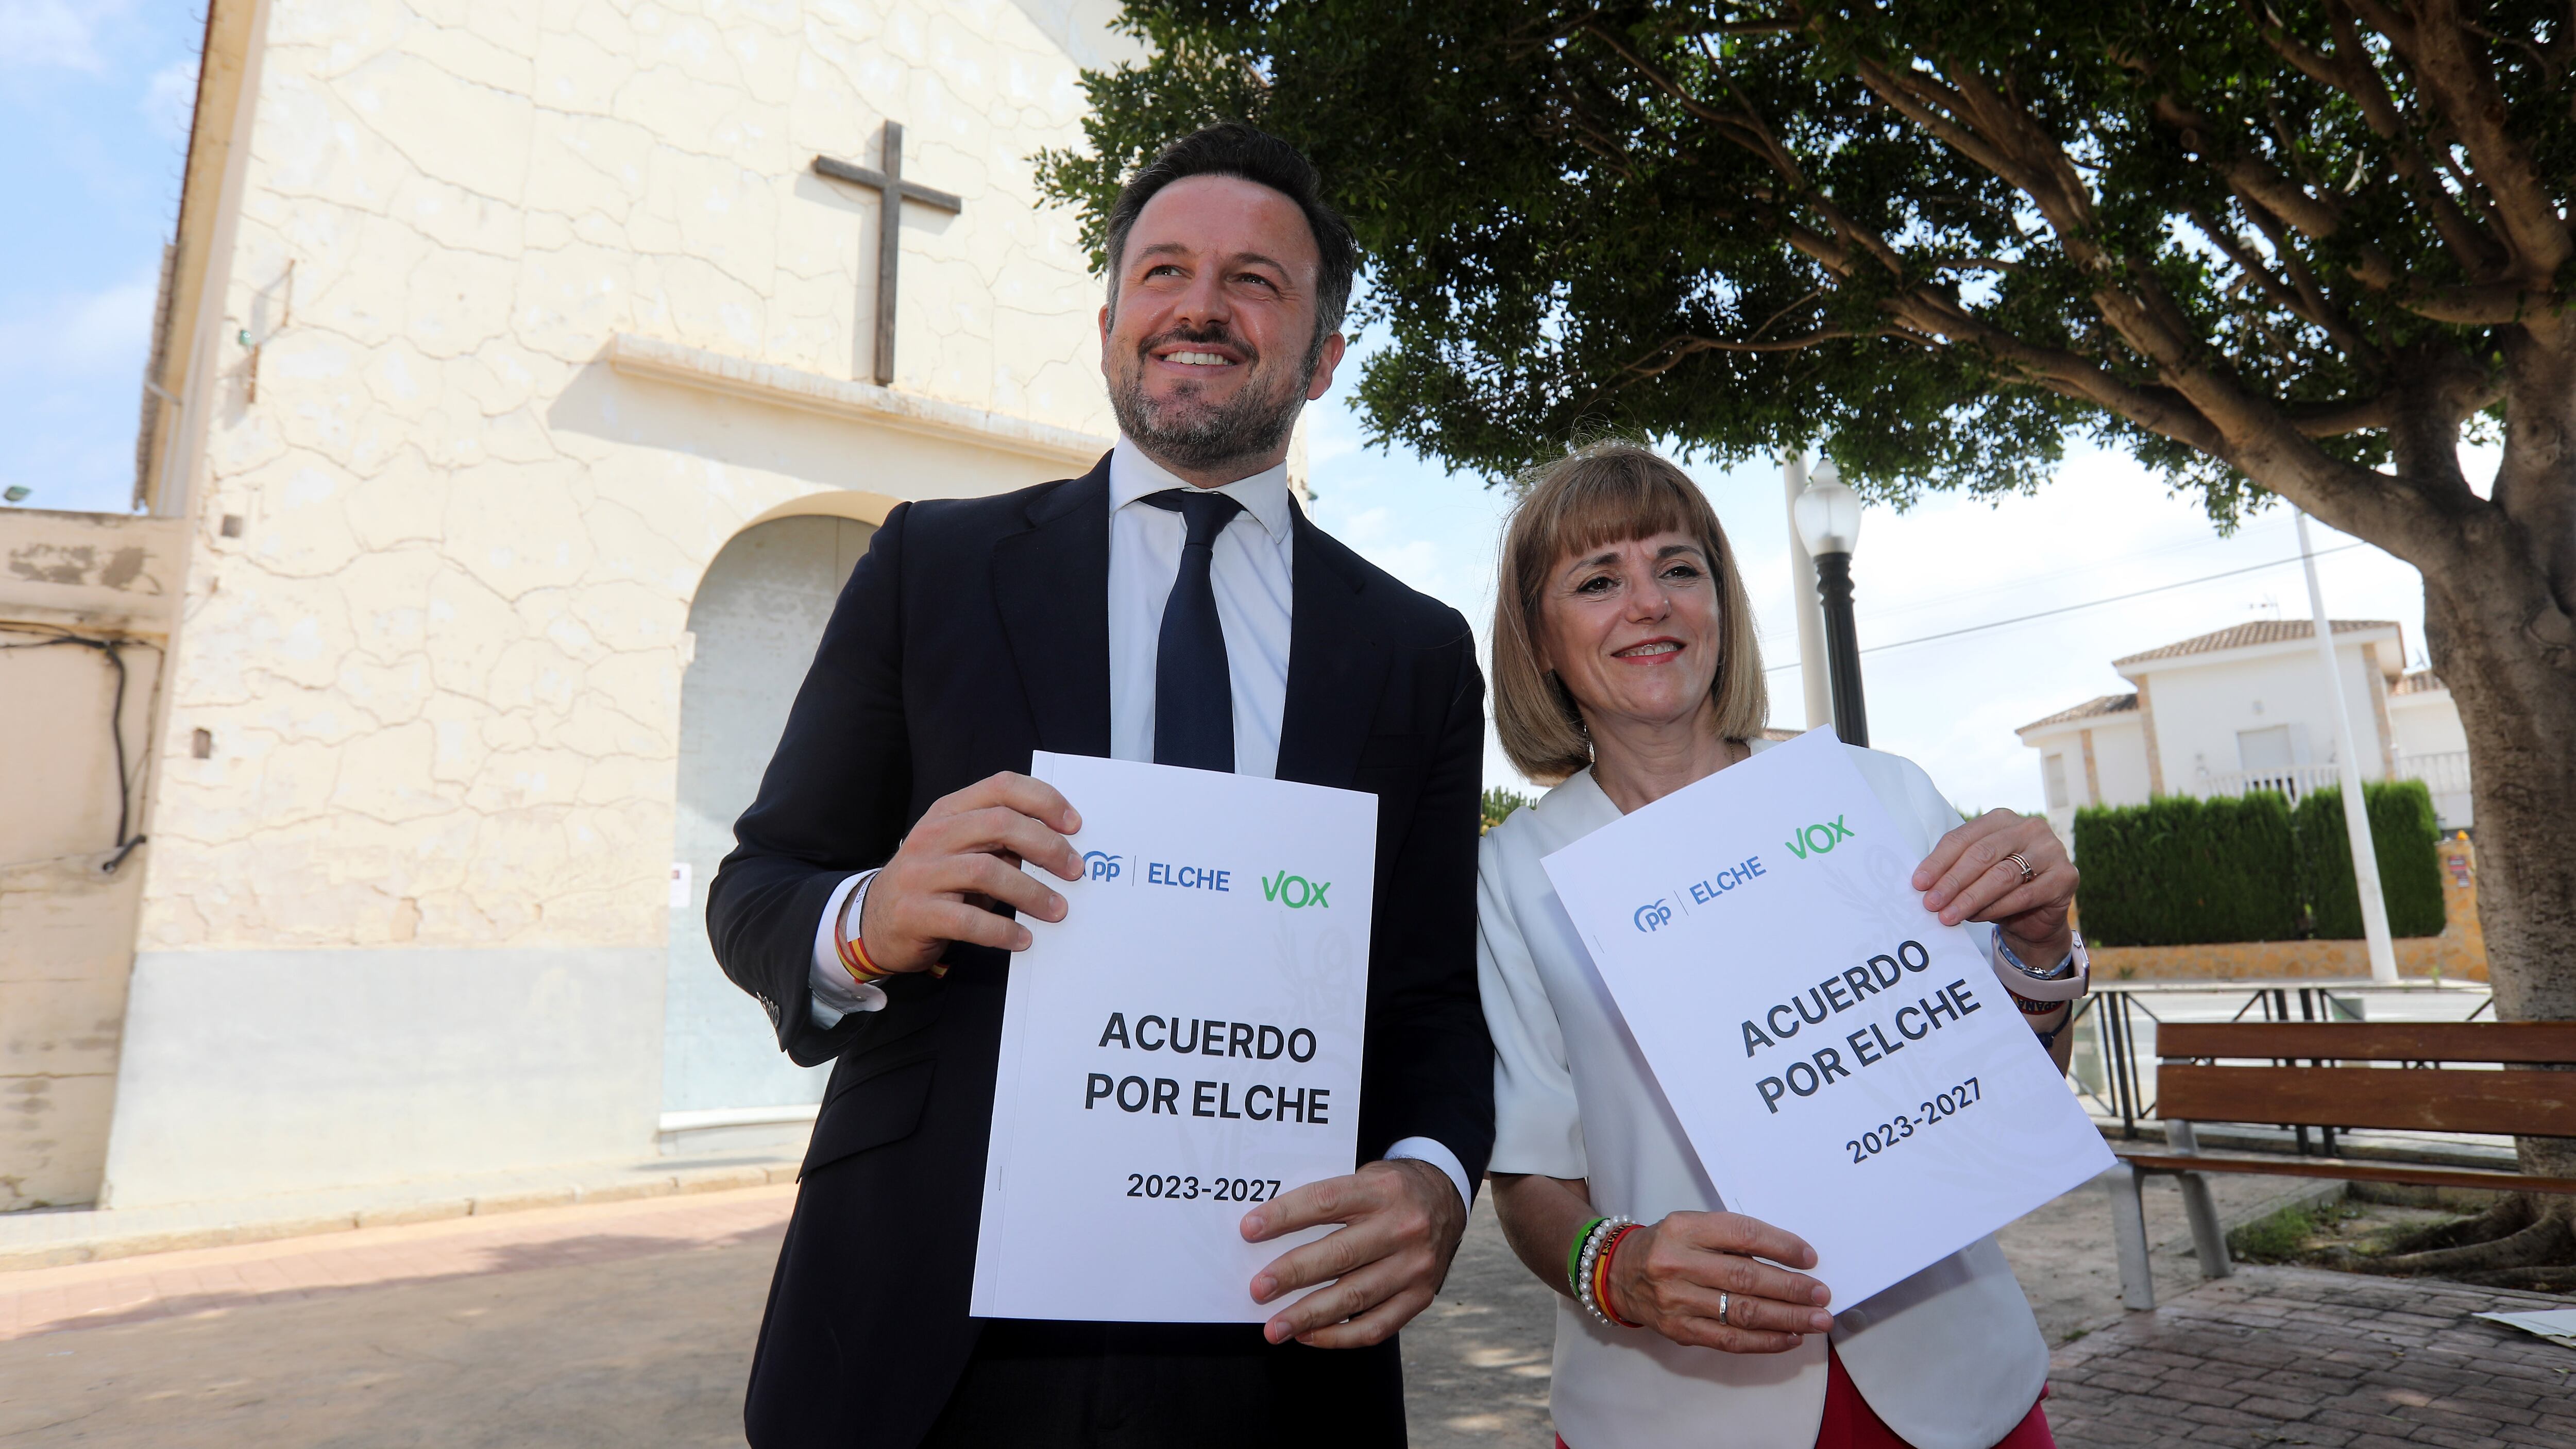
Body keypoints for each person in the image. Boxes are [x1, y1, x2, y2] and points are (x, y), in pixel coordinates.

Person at [706, 124, 1493, 1448]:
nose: (1199, 305)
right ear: (1113, 319)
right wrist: (870, 917)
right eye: (1164, 271)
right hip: (925, 1327)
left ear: (1322, 356)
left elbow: (1427, 999)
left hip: (1272, 1323)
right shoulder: (930, 569)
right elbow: (760, 890)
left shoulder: (1413, 652)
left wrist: (1431, 1183)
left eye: (1255, 281)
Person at [1475, 440, 2089, 1449]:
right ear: (1540, 639)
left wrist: (2036, 945)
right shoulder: (1513, 879)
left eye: (1678, 566)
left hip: (1955, 1388)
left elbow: (2015, 1087)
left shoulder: (1876, 795)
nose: (1650, 603)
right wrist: (1620, 1269)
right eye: (1598, 580)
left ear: (1719, 600)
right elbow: (1531, 1178)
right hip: (1673, 1412)